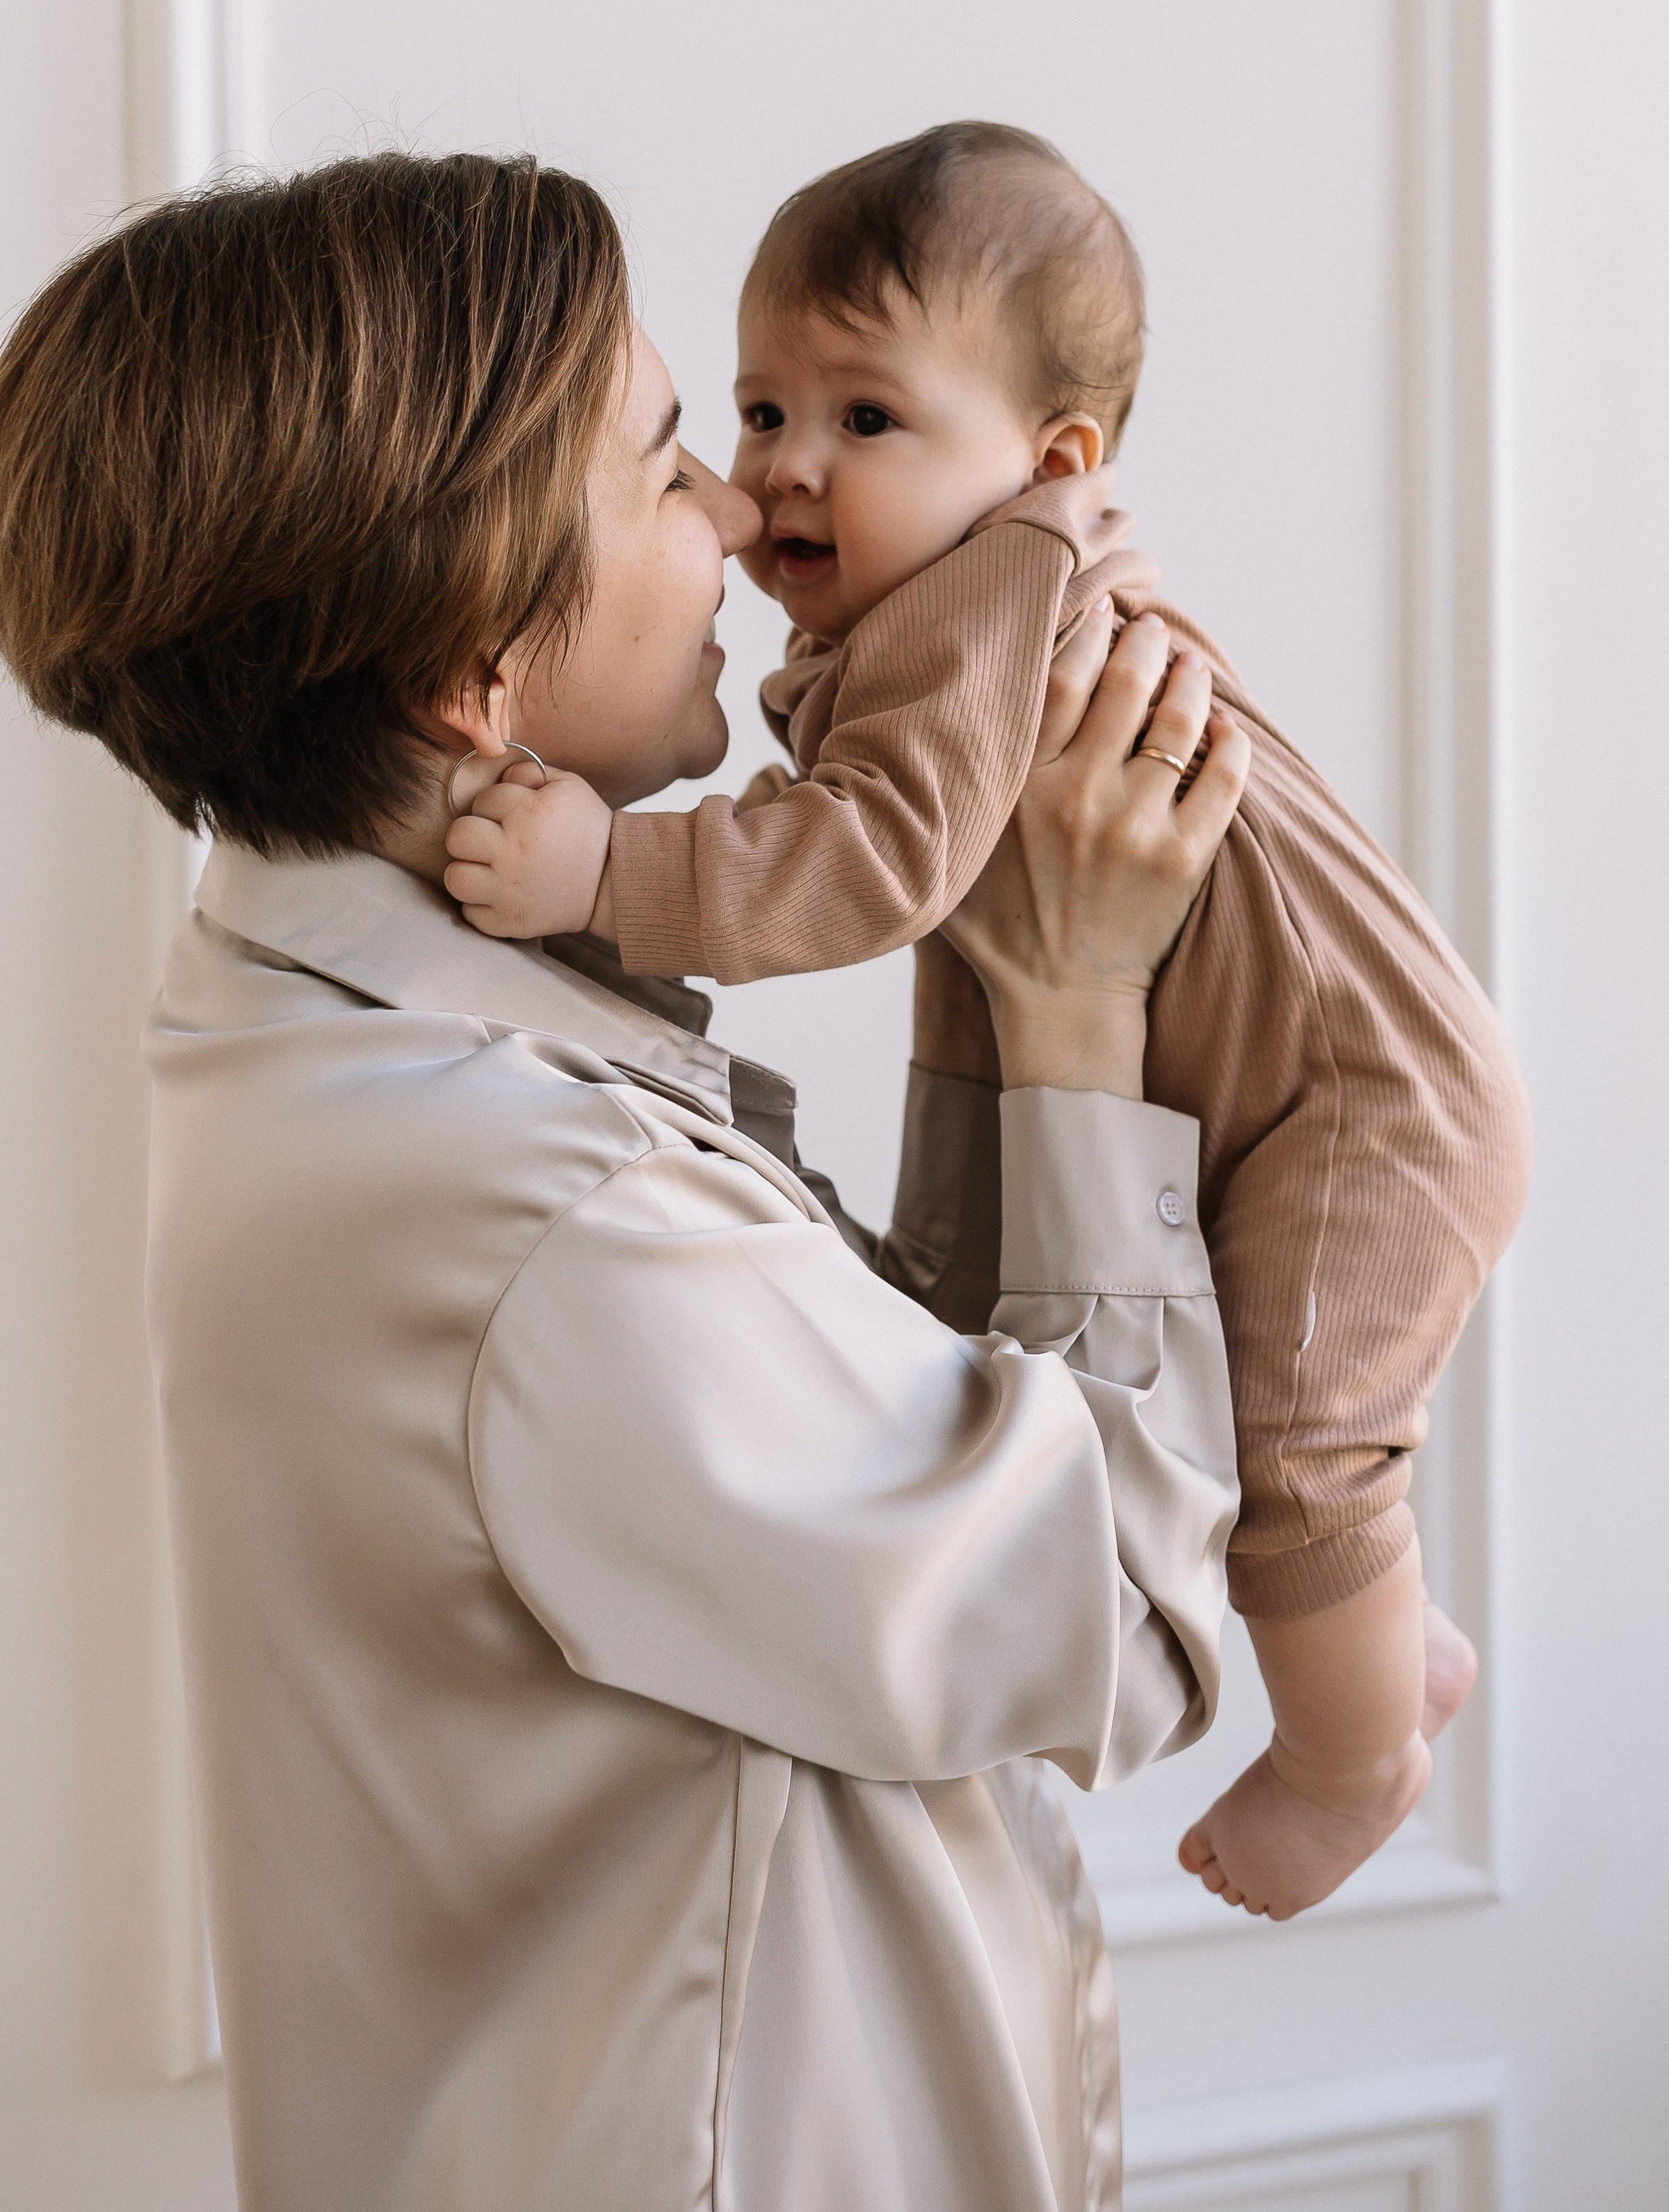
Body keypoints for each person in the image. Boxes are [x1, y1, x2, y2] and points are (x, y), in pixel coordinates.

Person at [0, 151, 1250, 2212]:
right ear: (471, 672)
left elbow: (912, 1398)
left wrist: (995, 972)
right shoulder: (535, 1208)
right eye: (675, 462)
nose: (753, 514)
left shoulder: (322, 1007)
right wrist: (1084, 1014)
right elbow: (1120, 1620)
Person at [445, 121, 1534, 1921]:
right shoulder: (948, 603)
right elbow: (974, 973)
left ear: (1051, 461)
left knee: (1305, 1454)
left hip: (1366, 1094)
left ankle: (1354, 1759)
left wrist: (607, 876)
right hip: (1286, 1083)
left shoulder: (996, 594)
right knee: (1288, 1447)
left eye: (867, 420)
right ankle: (1389, 1652)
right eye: (762, 408)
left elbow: (874, 864)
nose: (779, 473)